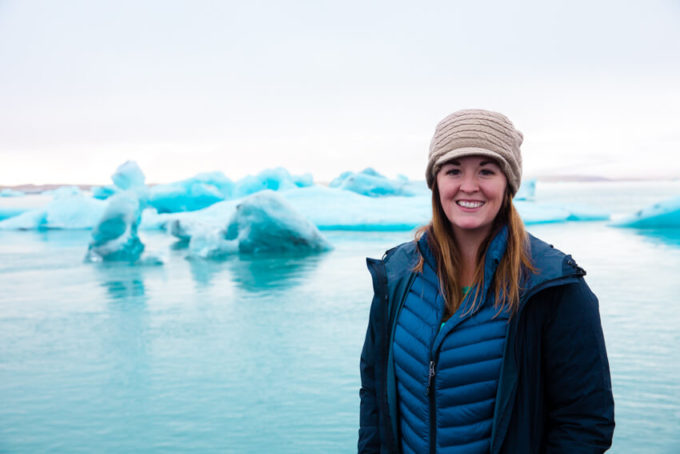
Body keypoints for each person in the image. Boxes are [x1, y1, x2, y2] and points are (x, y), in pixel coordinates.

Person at [358, 109, 614, 454]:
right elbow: (374, 392)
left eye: (486, 171)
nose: (469, 186)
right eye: (453, 170)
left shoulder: (553, 287)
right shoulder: (397, 274)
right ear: (436, 181)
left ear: (508, 182)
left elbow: (584, 421)